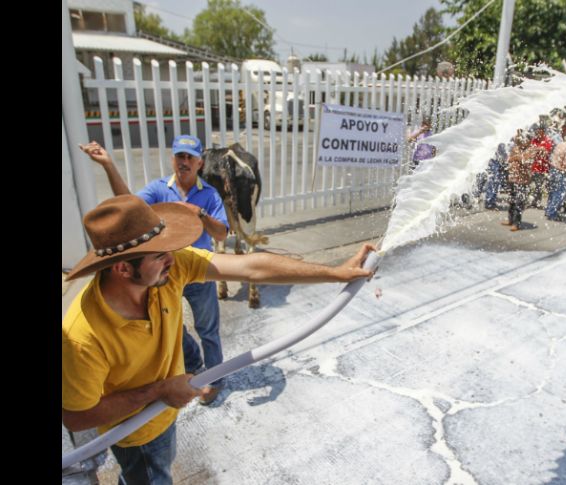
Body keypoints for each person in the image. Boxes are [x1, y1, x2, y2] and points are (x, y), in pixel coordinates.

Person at [62, 195, 374, 485]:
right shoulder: (82, 337)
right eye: (160, 255)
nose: (173, 259)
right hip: (136, 433)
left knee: (146, 472)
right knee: (148, 472)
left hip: (162, 412)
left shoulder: (165, 270)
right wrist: (159, 390)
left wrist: (335, 272)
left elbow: (251, 266)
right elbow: (77, 418)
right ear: (122, 268)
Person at [80, 135, 230, 405]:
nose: (184, 162)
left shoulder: (209, 193)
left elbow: (221, 234)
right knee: (173, 327)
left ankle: (215, 380)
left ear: (199, 163)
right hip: (164, 273)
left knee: (208, 328)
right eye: (179, 156)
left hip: (197, 271)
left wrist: (200, 213)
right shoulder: (160, 189)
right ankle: (194, 366)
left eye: (189, 158)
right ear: (173, 159)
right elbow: (128, 204)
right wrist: (108, 165)